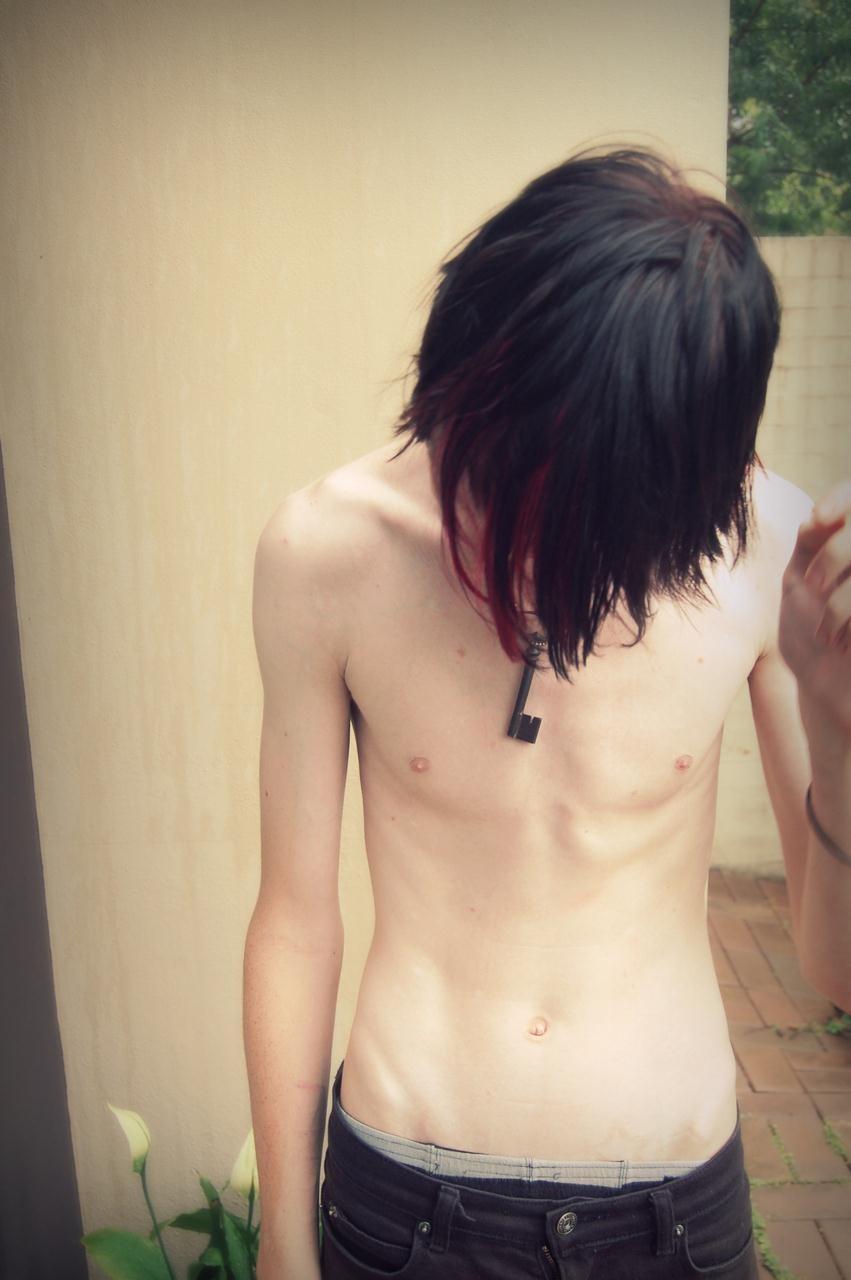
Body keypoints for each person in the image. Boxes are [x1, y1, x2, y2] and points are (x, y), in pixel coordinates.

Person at [243, 145, 851, 1280]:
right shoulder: (324, 550)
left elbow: (836, 967)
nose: (517, 556)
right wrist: (282, 1240)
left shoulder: (767, 549)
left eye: (579, 527)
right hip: (404, 1207)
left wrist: (840, 728)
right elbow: (294, 917)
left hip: (674, 1217)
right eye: (490, 483)